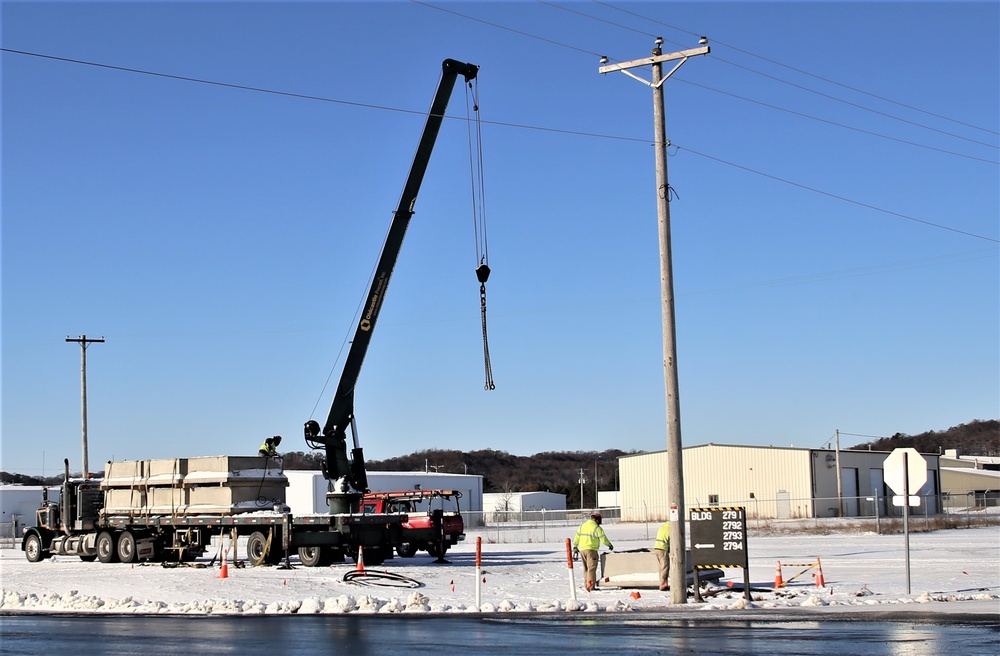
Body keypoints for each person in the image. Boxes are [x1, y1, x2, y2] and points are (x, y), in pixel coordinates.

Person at [572, 512, 613, 592]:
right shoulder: (596, 528)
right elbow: (603, 539)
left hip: (582, 550)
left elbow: (576, 538)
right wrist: (609, 545)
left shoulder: (582, 526)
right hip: (591, 550)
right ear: (597, 520)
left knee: (586, 569)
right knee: (591, 569)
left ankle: (587, 585)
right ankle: (591, 587)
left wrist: (575, 547)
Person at [654, 520, 671, 591]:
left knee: (660, 568)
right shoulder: (671, 529)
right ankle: (663, 585)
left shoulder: (663, 527)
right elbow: (672, 541)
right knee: (665, 567)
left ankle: (662, 583)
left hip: (656, 548)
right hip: (663, 549)